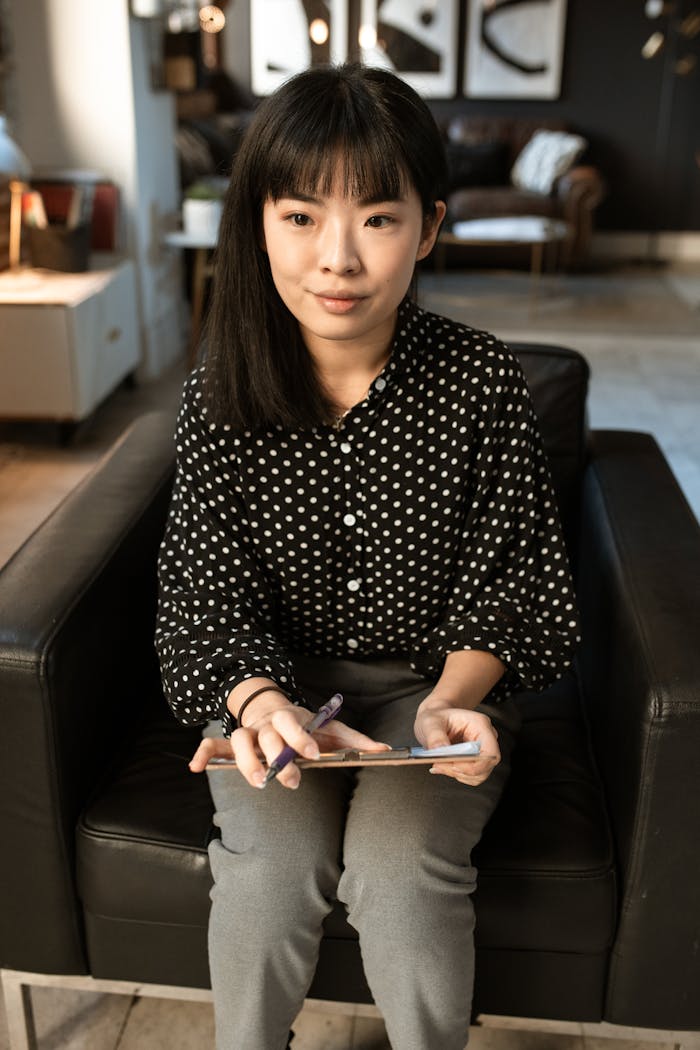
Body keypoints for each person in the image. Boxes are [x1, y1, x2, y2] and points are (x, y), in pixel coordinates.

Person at [155, 63, 580, 1050]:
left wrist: (452, 699)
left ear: (428, 227)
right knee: (266, 872)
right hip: (281, 695)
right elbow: (203, 592)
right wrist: (261, 706)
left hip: (433, 691)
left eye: (376, 219)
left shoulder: (480, 383)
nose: (335, 259)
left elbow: (519, 582)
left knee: (399, 878)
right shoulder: (220, 390)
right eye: (300, 217)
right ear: (258, 222)